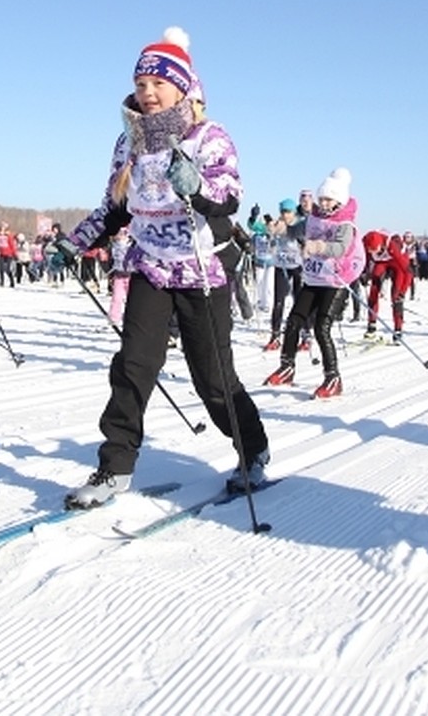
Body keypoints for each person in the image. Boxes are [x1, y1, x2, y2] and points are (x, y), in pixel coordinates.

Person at [57, 26, 270, 508]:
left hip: (201, 272)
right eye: (141, 84)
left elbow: (228, 199)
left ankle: (252, 450)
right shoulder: (128, 142)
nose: (147, 93)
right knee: (133, 367)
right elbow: (115, 207)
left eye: (158, 84)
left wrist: (196, 185)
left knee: (213, 380)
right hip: (150, 269)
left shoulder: (208, 137)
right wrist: (75, 242)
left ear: (182, 87)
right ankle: (114, 467)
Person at [264, 168, 365, 398]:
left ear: (339, 200)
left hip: (336, 280)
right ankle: (287, 366)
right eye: (322, 198)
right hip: (314, 278)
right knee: (293, 321)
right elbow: (293, 231)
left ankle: (333, 378)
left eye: (328, 199)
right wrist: (279, 229)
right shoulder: (313, 218)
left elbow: (340, 248)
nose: (324, 203)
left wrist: (318, 246)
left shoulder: (345, 224)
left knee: (321, 328)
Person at [264, 198, 306, 350]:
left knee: (300, 301)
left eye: (288, 211)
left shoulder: (299, 224)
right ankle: (275, 336)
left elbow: (305, 241)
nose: (285, 215)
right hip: (281, 266)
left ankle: (305, 335)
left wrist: (303, 243)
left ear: (293, 212)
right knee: (278, 301)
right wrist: (270, 236)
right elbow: (269, 244)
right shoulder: (277, 225)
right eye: (282, 211)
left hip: (298, 267)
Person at [362, 229, 413, 343]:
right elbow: (363, 260)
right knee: (374, 290)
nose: (373, 253)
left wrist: (402, 292)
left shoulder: (392, 245)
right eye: (371, 251)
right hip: (381, 263)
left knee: (396, 297)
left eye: (376, 250)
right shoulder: (365, 242)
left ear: (381, 245)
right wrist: (364, 273)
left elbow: (408, 272)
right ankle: (371, 325)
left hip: (397, 263)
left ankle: (398, 329)